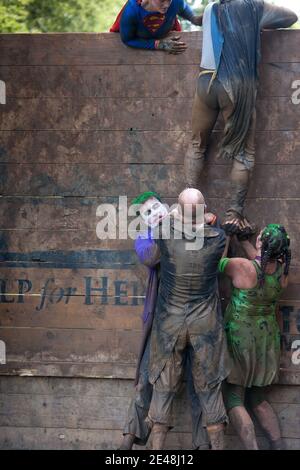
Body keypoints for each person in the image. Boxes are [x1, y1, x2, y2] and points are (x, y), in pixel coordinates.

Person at [121, 190, 220, 450]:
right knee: (145, 378)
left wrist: (203, 219)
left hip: (197, 320)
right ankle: (128, 440)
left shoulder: (189, 226)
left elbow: (212, 234)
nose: (155, 214)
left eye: (157, 208)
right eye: (148, 214)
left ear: (168, 206)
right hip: (162, 324)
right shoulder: (146, 238)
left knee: (200, 385)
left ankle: (202, 444)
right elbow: (152, 257)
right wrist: (170, 224)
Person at [184, 0, 298, 227]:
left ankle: (186, 206)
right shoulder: (254, 7)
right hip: (236, 87)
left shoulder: (210, 9)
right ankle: (233, 214)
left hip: (206, 81)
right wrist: (257, 23)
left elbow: (197, 21)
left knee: (196, 144)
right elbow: (290, 17)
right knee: (244, 154)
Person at [219, 222, 291, 449]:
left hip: (241, 338)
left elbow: (216, 262)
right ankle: (279, 445)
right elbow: (262, 261)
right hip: (266, 339)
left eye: (258, 238)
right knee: (258, 398)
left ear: (262, 244)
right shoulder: (281, 271)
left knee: (234, 398)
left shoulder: (242, 267)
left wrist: (228, 236)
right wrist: (245, 240)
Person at [110, 0, 202, 53]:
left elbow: (191, 16)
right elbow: (128, 39)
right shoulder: (131, 11)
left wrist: (198, 19)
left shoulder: (176, 2)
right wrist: (160, 44)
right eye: (162, 0)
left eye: (168, 0)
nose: (166, 5)